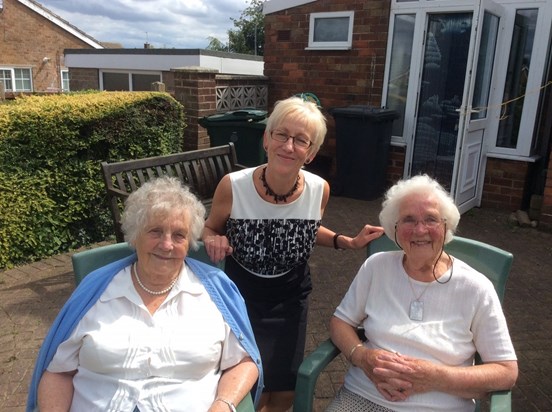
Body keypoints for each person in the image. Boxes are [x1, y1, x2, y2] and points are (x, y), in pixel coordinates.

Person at [202, 96, 384, 412]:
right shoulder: (233, 186)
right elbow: (210, 228)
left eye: (301, 140)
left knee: (285, 391)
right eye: (281, 135)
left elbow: (304, 230)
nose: (289, 146)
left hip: (290, 297)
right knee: (250, 385)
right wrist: (213, 239)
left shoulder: (319, 189)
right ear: (266, 139)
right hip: (242, 296)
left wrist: (348, 242)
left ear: (311, 153)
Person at [27, 176, 263, 412]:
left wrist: (223, 404)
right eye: (155, 231)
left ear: (190, 241)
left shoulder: (215, 292)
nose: (167, 244)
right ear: (135, 234)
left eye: (179, 235)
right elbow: (58, 372)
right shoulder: (96, 291)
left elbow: (244, 361)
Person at [326, 174, 518, 412]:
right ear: (394, 228)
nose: (420, 230)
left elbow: (506, 371)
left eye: (431, 219)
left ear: (446, 226)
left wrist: (434, 376)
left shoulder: (476, 288)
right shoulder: (377, 267)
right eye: (408, 220)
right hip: (363, 396)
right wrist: (362, 358)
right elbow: (340, 322)